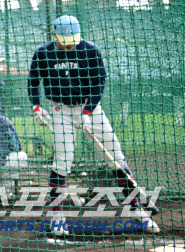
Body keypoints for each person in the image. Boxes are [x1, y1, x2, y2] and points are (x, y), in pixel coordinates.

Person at [28, 15, 159, 235]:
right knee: (63, 162)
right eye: (65, 39)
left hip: (90, 108)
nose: (70, 44)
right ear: (55, 35)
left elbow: (99, 83)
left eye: (72, 39)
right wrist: (37, 107)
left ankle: (137, 211)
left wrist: (88, 112)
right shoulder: (43, 53)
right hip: (61, 111)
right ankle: (57, 217)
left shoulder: (89, 50)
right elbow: (33, 81)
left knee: (115, 156)